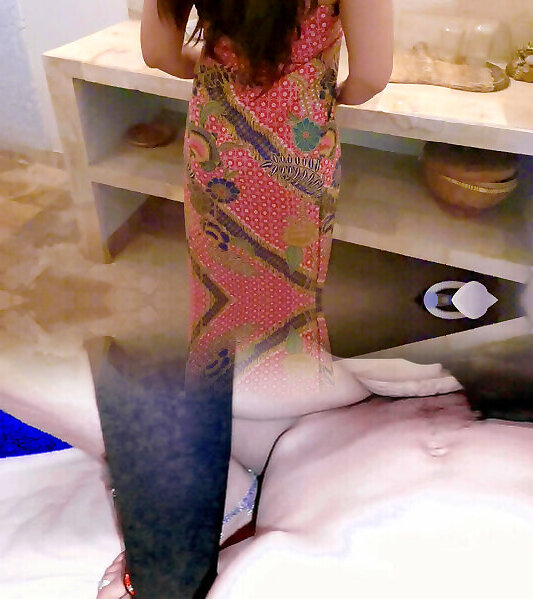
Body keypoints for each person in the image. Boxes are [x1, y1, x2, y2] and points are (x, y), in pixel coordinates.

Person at [97, 1, 394, 596]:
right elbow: (371, 75)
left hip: (219, 148)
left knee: (217, 305)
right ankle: (284, 476)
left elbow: (158, 53)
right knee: (290, 307)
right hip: (295, 155)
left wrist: (221, 65)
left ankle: (214, 474)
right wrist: (316, 83)